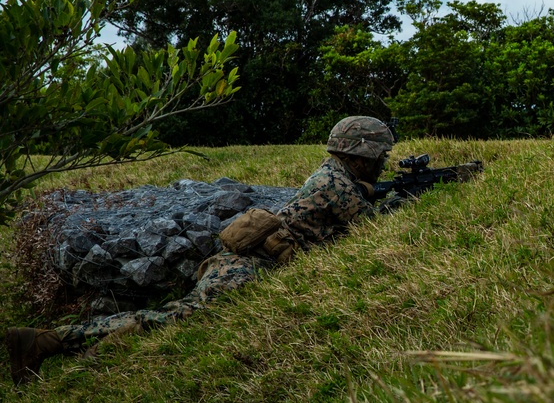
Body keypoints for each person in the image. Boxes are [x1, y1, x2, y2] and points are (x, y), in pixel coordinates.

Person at [5, 116, 400, 386]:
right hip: (245, 267)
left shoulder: (333, 175)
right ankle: (47, 342)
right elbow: (370, 229)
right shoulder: (338, 184)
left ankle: (68, 347)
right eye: (380, 154)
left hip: (244, 260)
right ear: (360, 154)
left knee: (170, 318)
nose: (383, 162)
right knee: (174, 318)